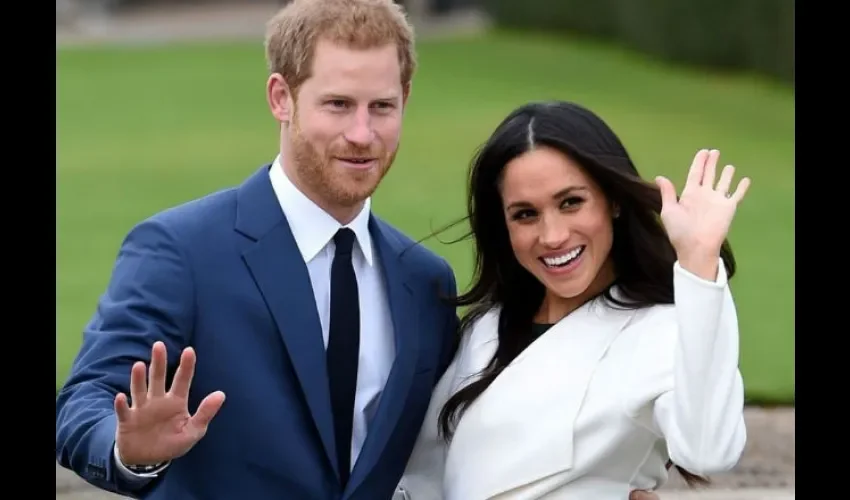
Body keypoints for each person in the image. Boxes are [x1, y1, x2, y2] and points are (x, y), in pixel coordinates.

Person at [53, 1, 665, 499]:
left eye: (382, 107)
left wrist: (604, 486)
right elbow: (80, 402)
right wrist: (126, 451)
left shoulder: (424, 282)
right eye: (338, 104)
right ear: (281, 98)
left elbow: (462, 446)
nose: (362, 135)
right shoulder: (181, 249)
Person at [398, 101, 749, 499]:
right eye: (525, 214)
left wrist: (699, 261)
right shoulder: (488, 328)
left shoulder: (661, 329)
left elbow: (708, 451)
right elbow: (421, 479)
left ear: (613, 200)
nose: (552, 236)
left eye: (571, 202)